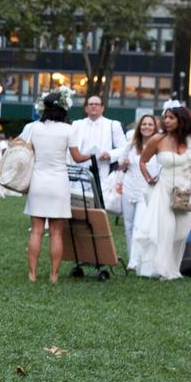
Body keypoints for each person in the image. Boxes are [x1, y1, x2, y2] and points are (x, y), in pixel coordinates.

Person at [21, 89, 87, 283]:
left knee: (36, 231)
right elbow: (77, 157)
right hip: (59, 183)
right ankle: (54, 275)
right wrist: (91, 154)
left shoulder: (33, 127)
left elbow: (19, 147)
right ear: (64, 109)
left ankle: (32, 274)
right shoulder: (69, 129)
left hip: (38, 182)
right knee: (56, 232)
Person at [130, 106, 191, 279]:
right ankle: (161, 269)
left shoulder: (190, 141)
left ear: (181, 120)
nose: (167, 121)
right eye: (165, 117)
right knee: (166, 230)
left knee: (182, 231)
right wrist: (148, 178)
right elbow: (143, 161)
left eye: (171, 118)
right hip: (164, 189)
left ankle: (173, 267)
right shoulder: (158, 139)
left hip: (184, 191)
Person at [116, 114, 159, 263]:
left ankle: (134, 262)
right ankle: (132, 257)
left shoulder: (158, 146)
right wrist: (124, 162)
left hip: (146, 190)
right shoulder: (131, 144)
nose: (146, 127)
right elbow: (120, 163)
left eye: (150, 124)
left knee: (138, 226)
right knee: (128, 225)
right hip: (129, 188)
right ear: (139, 127)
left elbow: (162, 167)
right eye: (144, 124)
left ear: (155, 128)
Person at [70, 94, 126, 196]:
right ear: (86, 108)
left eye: (96, 104)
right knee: (78, 200)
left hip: (102, 169)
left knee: (97, 202)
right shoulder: (77, 124)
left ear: (102, 108)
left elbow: (124, 148)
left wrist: (110, 154)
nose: (93, 106)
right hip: (79, 168)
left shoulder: (113, 124)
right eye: (91, 104)